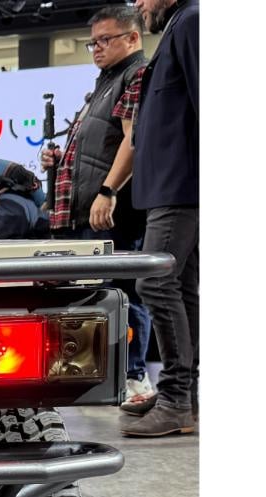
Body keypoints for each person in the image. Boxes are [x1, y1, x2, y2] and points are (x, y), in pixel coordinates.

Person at [41, 6, 152, 407]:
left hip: (109, 210)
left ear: (132, 38)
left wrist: (108, 190)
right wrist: (58, 161)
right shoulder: (104, 83)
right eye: (92, 43)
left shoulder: (136, 75)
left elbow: (133, 141)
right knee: (95, 296)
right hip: (84, 209)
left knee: (125, 293)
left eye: (105, 40)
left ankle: (135, 376)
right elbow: (95, 145)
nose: (97, 48)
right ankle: (98, 376)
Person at [120, 0, 199, 437]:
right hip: (173, 186)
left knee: (155, 283)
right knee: (180, 287)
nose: (138, 4)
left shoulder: (192, 21)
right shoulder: (180, 24)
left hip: (181, 187)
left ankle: (175, 399)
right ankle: (184, 398)